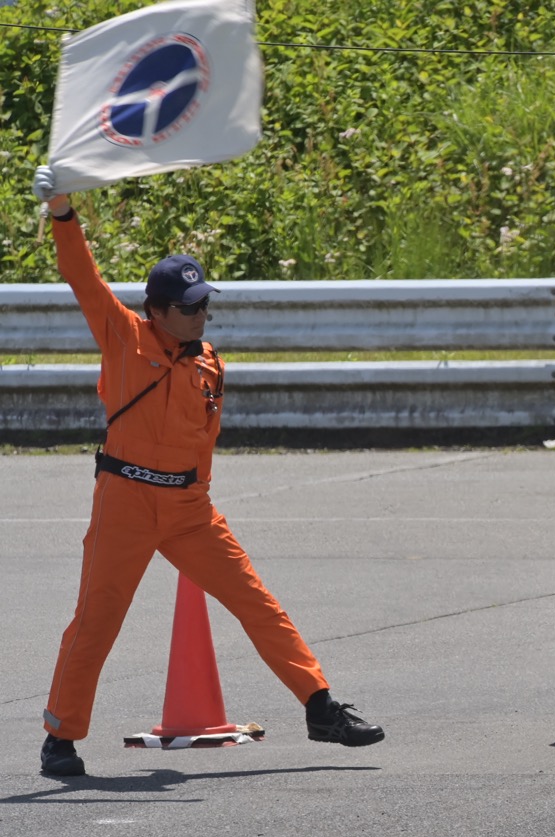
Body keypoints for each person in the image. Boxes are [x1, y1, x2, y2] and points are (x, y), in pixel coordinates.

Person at [31, 165, 384, 777]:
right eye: (191, 308)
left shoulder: (211, 364)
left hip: (190, 508)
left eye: (205, 304)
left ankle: (321, 708)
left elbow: (205, 439)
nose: (203, 316)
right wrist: (63, 211)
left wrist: (199, 495)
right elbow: (81, 277)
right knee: (97, 619)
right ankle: (60, 738)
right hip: (127, 502)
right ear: (159, 310)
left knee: (258, 603)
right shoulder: (122, 335)